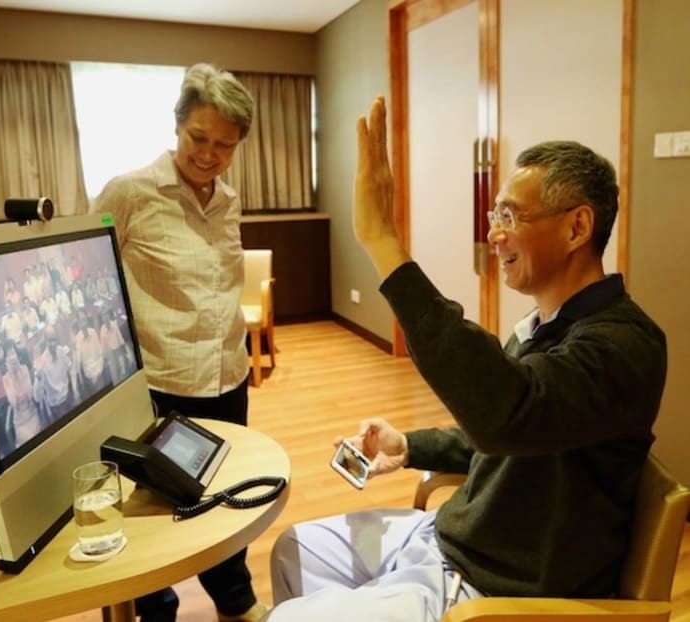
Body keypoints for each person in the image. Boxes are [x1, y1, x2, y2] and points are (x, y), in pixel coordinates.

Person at [263, 97, 667, 622]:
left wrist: (384, 242)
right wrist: (409, 445)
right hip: (447, 540)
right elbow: (505, 434)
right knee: (293, 549)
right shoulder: (546, 326)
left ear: (576, 228)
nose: (494, 233)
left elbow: (509, 414)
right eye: (494, 214)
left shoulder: (623, 346)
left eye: (510, 216)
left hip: (493, 587)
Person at [94, 63, 265, 622]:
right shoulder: (129, 192)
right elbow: (92, 281)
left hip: (227, 377)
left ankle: (234, 601)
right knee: (156, 511)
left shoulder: (229, 199)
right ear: (177, 125)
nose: (209, 154)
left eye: (224, 144)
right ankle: (156, 606)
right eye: (199, 138)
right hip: (160, 385)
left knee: (224, 497)